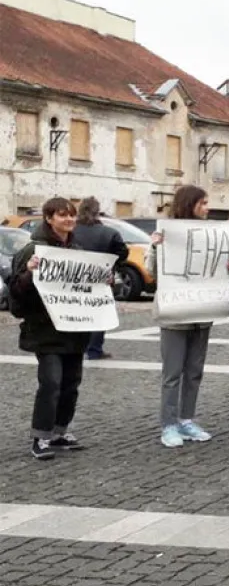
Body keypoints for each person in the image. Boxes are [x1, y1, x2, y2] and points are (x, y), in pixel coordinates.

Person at [148, 185, 229, 448]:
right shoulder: (167, 231)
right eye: (203, 203)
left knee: (194, 371)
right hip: (175, 313)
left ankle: (186, 419)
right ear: (190, 204)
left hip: (201, 313)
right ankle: (169, 424)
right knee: (172, 373)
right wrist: (155, 249)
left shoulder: (211, 234)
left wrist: (228, 266)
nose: (207, 208)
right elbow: (153, 272)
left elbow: (218, 270)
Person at [12, 198, 92, 459]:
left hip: (74, 329)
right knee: (51, 383)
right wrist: (29, 273)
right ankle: (40, 437)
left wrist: (105, 281)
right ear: (49, 218)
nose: (69, 220)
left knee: (71, 384)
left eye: (72, 215)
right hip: (45, 330)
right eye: (62, 215)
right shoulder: (33, 250)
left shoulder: (78, 249)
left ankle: (59, 432)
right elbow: (17, 292)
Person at [73, 197, 128, 361]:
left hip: (74, 279)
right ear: (97, 212)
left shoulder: (71, 230)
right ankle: (94, 349)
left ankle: (76, 347)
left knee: (75, 312)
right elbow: (123, 253)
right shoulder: (109, 232)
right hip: (101, 278)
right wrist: (113, 264)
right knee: (99, 315)